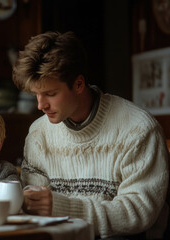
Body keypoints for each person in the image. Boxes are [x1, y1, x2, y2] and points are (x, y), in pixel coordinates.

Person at [12, 31, 169, 239]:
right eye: (35, 95)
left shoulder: (138, 129)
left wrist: (62, 207)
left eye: (50, 94)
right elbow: (35, 205)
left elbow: (138, 213)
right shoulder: (39, 134)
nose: (41, 105)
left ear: (78, 84)